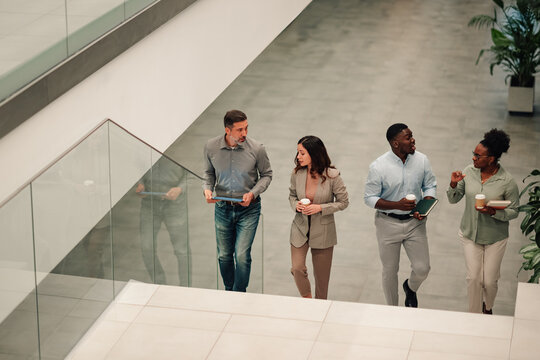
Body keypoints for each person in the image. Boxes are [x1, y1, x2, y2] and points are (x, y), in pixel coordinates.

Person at [364, 123, 437, 307]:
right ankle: (392, 310)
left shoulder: (421, 160)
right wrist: (397, 205)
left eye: (412, 136)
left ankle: (410, 288)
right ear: (395, 144)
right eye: (408, 137)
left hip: (415, 223)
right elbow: (370, 198)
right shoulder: (378, 166)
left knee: (422, 268)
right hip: (387, 224)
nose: (413, 140)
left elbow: (429, 185)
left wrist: (426, 203)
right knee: (390, 270)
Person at [447, 129, 519, 314]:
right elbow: (453, 199)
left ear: (492, 158)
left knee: (489, 281)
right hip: (470, 234)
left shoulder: (507, 182)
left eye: (478, 156)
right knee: (473, 279)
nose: (473, 158)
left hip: (495, 237)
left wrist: (493, 211)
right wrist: (454, 185)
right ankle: (475, 315)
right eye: (473, 154)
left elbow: (514, 211)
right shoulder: (468, 172)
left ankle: (488, 306)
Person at [203, 109, 272, 292]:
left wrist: (253, 193)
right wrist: (207, 190)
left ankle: (239, 293)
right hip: (222, 208)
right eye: (240, 130)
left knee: (241, 255)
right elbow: (209, 173)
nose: (244, 134)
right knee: (224, 256)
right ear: (228, 130)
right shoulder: (211, 147)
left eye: (246, 128)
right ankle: (229, 290)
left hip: (249, 210)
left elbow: (266, 175)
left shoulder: (257, 148)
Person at [289, 136, 349, 299]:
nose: (298, 157)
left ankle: (319, 308)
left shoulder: (332, 176)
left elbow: (343, 202)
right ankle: (308, 300)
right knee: (297, 268)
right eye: (298, 153)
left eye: (302, 153)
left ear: (314, 154)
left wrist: (320, 208)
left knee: (322, 282)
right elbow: (292, 196)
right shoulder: (297, 174)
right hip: (300, 229)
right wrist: (296, 205)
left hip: (323, 231)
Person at [136, 156, 190, 286]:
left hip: (175, 205)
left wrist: (180, 188)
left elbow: (196, 174)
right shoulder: (143, 147)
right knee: (146, 247)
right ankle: (159, 284)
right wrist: (140, 183)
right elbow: (136, 167)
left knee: (181, 250)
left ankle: (186, 288)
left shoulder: (178, 147)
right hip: (149, 202)